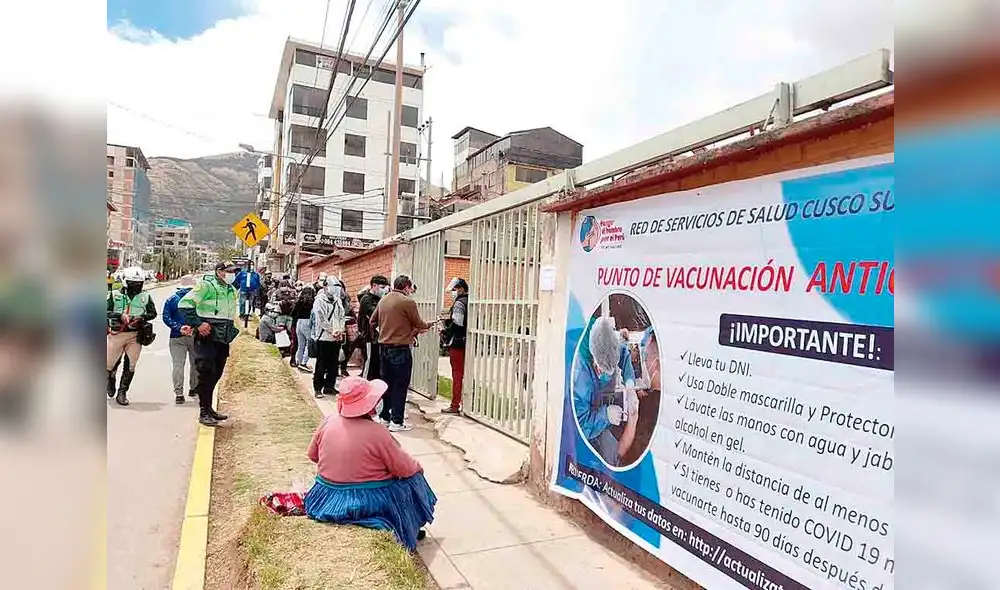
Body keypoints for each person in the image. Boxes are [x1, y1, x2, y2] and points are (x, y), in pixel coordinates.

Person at [304, 375, 436, 551]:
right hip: (365, 501)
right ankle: (409, 526)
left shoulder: (328, 422)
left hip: (325, 496)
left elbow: (313, 455)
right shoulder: (377, 432)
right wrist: (417, 468)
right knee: (415, 478)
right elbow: (404, 468)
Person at [178, 261, 240, 427]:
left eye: (234, 271)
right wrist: (198, 324)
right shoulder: (206, 285)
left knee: (216, 373)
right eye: (229, 271)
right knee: (206, 371)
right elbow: (184, 304)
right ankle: (203, 411)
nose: (232, 274)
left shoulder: (231, 290)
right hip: (208, 335)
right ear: (219, 272)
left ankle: (209, 407)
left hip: (223, 337)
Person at [372, 275, 436, 432]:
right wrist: (429, 323)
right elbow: (418, 323)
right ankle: (397, 421)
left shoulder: (384, 299)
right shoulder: (407, 302)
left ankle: (384, 417)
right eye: (410, 288)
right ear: (406, 287)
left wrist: (385, 332)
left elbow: (372, 321)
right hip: (400, 349)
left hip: (384, 348)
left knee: (387, 384)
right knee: (400, 385)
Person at [573, 316, 639, 466]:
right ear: (593, 360)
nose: (605, 375)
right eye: (601, 370)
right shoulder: (580, 375)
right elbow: (581, 425)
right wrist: (605, 416)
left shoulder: (609, 339)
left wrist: (630, 388)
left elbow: (623, 354)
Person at [107, 266, 157, 406]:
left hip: (135, 335)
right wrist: (119, 316)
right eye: (133, 283)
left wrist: (141, 318)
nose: (137, 286)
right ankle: (110, 379)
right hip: (117, 334)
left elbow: (153, 313)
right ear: (125, 282)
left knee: (131, 365)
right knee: (109, 364)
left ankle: (122, 393)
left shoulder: (145, 296)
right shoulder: (114, 295)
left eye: (139, 284)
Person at [311, 278, 353, 398]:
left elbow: (341, 316)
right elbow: (321, 319)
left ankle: (330, 386)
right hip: (323, 337)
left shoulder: (338, 301)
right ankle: (318, 388)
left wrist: (340, 329)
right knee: (321, 364)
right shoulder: (319, 301)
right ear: (325, 287)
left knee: (334, 365)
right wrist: (332, 330)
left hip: (336, 337)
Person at [163, 275, 199, 405]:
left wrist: (179, 327)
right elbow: (202, 316)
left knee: (178, 365)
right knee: (195, 363)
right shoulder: (197, 300)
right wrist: (192, 327)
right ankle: (193, 388)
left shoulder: (171, 300)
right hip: (194, 335)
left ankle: (179, 393)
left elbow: (166, 318)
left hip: (176, 336)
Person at [441, 278, 469, 414]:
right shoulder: (470, 301)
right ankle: (468, 405)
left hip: (458, 343)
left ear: (461, 289)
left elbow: (457, 322)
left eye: (455, 289)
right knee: (466, 374)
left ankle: (454, 405)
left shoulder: (459, 303)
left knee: (457, 374)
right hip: (468, 342)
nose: (454, 292)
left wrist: (445, 330)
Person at [358, 275, 389, 380]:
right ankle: (364, 386)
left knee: (377, 364)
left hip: (379, 337)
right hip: (369, 337)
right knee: (369, 363)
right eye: (382, 287)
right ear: (374, 285)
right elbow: (376, 314)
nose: (384, 290)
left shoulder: (382, 299)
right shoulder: (366, 299)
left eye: (385, 287)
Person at [291, 285, 316, 371]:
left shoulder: (298, 301)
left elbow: (292, 313)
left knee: (300, 345)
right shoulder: (312, 302)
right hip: (307, 322)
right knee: (309, 344)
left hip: (299, 322)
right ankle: (303, 363)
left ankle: (299, 361)